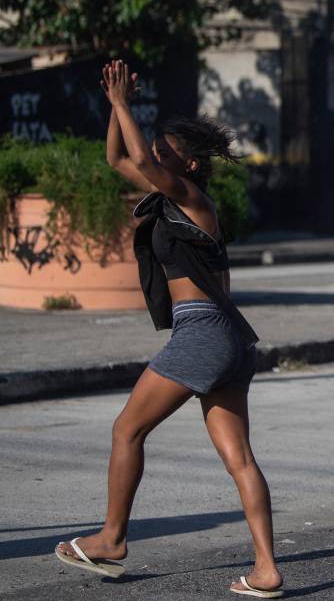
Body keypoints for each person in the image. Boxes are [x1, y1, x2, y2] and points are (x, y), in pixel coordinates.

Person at [54, 60, 283, 598]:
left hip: (204, 332)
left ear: (191, 163)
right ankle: (267, 569)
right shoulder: (175, 198)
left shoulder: (192, 199)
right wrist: (117, 109)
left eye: (165, 150)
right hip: (228, 337)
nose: (154, 155)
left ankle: (111, 538)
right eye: (156, 149)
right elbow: (117, 157)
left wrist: (122, 104)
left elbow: (134, 154)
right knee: (240, 457)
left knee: (126, 430)